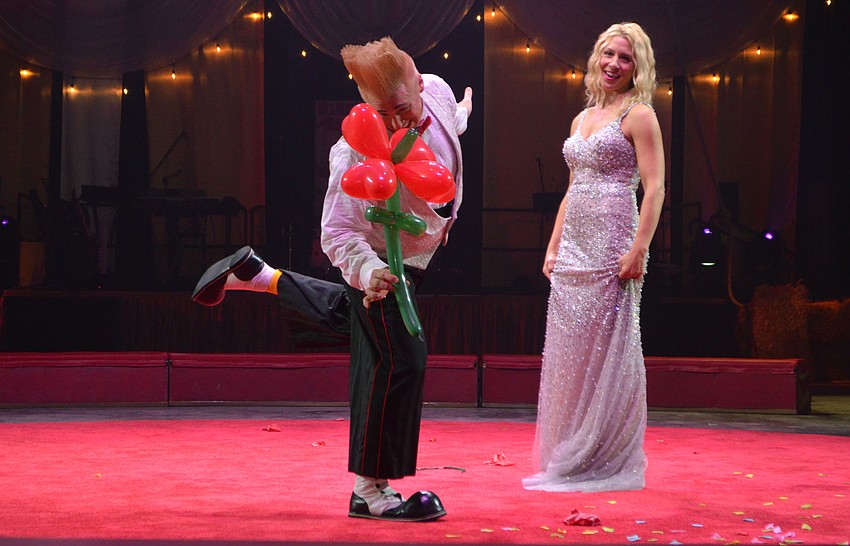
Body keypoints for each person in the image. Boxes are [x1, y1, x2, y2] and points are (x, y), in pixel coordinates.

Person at [192, 37, 473, 521]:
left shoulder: (440, 93)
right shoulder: (351, 153)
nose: (394, 122)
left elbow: (446, 124)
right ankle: (371, 490)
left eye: (403, 107)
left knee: (356, 326)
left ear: (419, 86)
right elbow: (337, 233)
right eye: (381, 113)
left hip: (419, 259)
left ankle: (260, 277)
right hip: (385, 269)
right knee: (399, 358)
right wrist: (369, 271)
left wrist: (463, 111)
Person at [522, 22, 665, 492]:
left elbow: (655, 186)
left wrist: (639, 247)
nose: (614, 64)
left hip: (613, 240)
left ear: (636, 67)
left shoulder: (640, 114)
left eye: (625, 58)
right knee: (571, 350)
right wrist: (552, 244)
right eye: (608, 54)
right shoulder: (581, 119)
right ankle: (571, 448)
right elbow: (571, 189)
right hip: (575, 245)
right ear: (595, 57)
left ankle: (603, 454)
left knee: (610, 347)